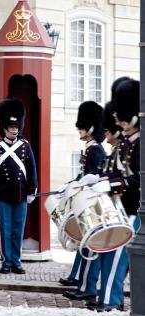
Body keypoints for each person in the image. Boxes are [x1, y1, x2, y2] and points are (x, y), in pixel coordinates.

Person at [85, 79, 141, 312]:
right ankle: (108, 298)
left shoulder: (139, 143)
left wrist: (112, 183)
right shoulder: (129, 143)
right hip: (123, 206)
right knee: (112, 254)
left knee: (118, 257)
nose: (117, 120)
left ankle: (111, 299)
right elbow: (119, 173)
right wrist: (103, 180)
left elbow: (137, 178)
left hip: (135, 208)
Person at [0, 98, 37, 274]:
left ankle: (16, 261)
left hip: (20, 194)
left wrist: (32, 190)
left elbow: (32, 169)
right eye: (11, 127)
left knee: (17, 229)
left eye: (16, 127)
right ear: (4, 128)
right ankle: (6, 261)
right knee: (5, 230)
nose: (14, 129)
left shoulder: (25, 146)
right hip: (3, 195)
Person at [61, 101, 106, 301]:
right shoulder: (90, 148)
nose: (79, 129)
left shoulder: (95, 150)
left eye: (82, 125)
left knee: (90, 247)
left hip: (91, 205)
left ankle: (87, 287)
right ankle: (82, 283)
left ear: (91, 127)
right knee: (85, 245)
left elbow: (93, 177)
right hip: (85, 203)